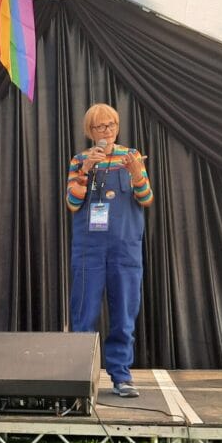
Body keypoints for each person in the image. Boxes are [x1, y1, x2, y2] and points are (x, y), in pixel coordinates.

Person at [66, 103, 153, 398]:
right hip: (89, 248)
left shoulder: (132, 156)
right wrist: (85, 171)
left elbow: (146, 198)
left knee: (124, 316)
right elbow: (72, 204)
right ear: (90, 131)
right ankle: (80, 378)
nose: (107, 131)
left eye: (111, 125)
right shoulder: (79, 160)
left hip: (125, 248)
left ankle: (121, 375)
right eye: (100, 127)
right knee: (84, 313)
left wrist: (137, 174)